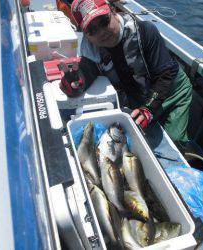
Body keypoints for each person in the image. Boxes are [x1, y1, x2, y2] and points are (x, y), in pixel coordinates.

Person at [61, 0, 192, 152]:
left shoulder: (145, 32)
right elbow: (87, 72)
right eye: (92, 29)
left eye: (104, 21)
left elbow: (165, 74)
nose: (101, 32)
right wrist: (75, 83)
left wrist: (148, 109)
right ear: (86, 35)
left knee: (175, 141)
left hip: (173, 91)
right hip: (140, 93)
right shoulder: (91, 51)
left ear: (113, 12)